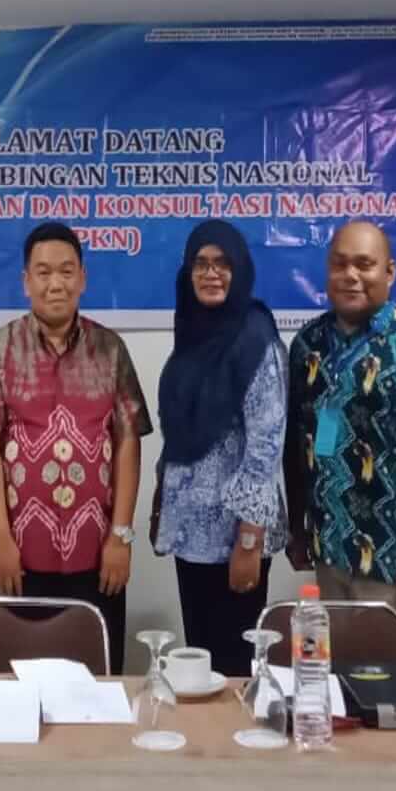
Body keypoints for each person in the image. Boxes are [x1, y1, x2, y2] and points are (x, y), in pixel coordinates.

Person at [0, 222, 152, 674]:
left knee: (96, 677)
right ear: (26, 281)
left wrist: (121, 537)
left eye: (66, 272)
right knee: (19, 680)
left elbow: (127, 441)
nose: (55, 284)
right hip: (20, 555)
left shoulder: (110, 349)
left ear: (82, 279)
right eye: (43, 272)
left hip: (98, 555)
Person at [283, 221, 396, 662]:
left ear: (390, 272)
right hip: (330, 551)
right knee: (334, 684)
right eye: (340, 264)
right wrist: (299, 528)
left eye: (364, 264)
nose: (351, 276)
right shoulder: (308, 344)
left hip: (395, 563)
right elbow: (299, 442)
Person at [153, 220, 287, 678]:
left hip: (235, 538)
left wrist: (249, 540)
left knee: (235, 669)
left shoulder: (255, 339)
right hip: (191, 535)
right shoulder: (192, 333)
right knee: (201, 663)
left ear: (240, 270)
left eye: (223, 263)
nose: (211, 274)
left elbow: (265, 446)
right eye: (201, 264)